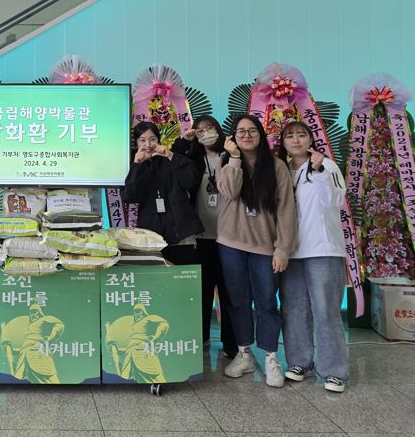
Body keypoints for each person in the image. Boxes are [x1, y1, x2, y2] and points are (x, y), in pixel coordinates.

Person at [216, 114, 296, 388]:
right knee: (237, 302)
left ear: (261, 135)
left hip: (265, 247)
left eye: (252, 131)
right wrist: (234, 158)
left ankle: (272, 358)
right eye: (240, 132)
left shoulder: (276, 167)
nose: (246, 135)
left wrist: (283, 248)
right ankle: (244, 354)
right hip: (230, 244)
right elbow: (229, 190)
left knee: (266, 304)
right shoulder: (225, 163)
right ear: (232, 137)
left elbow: (286, 210)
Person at [278, 121, 349, 393]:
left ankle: (334, 371)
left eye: (301, 135)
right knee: (293, 309)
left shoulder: (327, 165)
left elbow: (334, 201)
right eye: (290, 136)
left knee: (326, 311)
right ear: (283, 142)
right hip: (292, 251)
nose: (296, 140)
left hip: (323, 249)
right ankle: (299, 362)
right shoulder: (283, 170)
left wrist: (318, 170)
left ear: (311, 139)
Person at [172, 115, 238, 358]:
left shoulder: (232, 156)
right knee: (201, 292)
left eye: (209, 128)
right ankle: (200, 339)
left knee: (230, 292)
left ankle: (232, 344)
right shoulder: (192, 159)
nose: (205, 133)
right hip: (201, 236)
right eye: (199, 130)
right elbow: (174, 163)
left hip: (230, 236)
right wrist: (184, 140)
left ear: (218, 129)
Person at [124, 121, 204, 265]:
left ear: (159, 140)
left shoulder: (170, 159)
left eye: (152, 139)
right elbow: (130, 197)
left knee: (185, 278)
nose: (148, 144)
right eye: (142, 140)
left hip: (181, 234)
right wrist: (137, 165)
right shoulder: (133, 165)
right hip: (151, 237)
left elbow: (191, 181)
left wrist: (171, 155)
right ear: (136, 143)